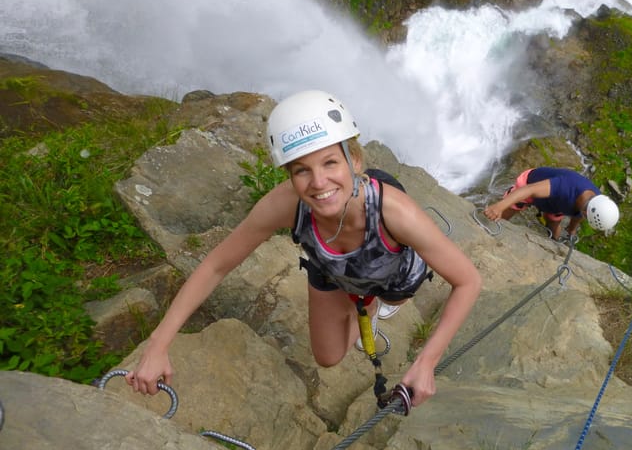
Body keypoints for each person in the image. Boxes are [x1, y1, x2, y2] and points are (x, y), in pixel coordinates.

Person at [127, 90, 482, 408]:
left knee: (392, 295)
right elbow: (217, 265)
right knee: (328, 357)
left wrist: (426, 362)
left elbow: (468, 281)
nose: (318, 183)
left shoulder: (396, 211)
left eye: (330, 162)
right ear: (289, 175)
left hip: (392, 268)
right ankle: (364, 304)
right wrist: (158, 344)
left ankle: (374, 304)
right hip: (330, 267)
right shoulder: (285, 205)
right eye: (301, 171)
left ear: (354, 160)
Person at [483, 167, 619, 240]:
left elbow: (579, 216)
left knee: (554, 231)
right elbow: (529, 190)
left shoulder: (594, 203)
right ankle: (486, 232)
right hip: (530, 184)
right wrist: (499, 206)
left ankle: (553, 240)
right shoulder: (565, 187)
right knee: (502, 216)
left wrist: (571, 230)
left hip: (557, 203)